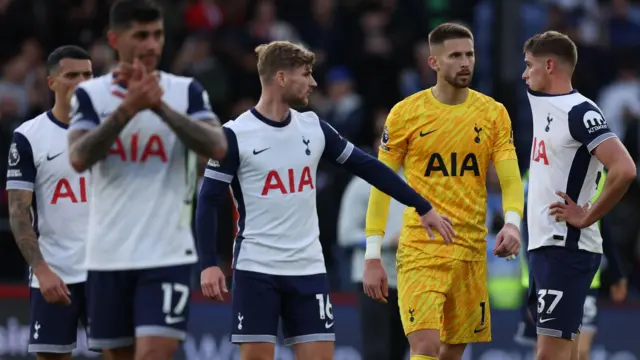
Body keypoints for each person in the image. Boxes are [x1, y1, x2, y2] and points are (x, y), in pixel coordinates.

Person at [195, 40, 454, 360]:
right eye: (306, 74)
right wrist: (208, 263)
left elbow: (368, 166)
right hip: (256, 268)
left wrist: (422, 205)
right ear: (281, 78)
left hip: (308, 268)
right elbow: (207, 201)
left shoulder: (313, 127)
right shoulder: (234, 135)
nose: (314, 83)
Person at [66, 1, 227, 359]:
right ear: (114, 39)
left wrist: (159, 107)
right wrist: (128, 109)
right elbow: (78, 157)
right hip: (108, 252)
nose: (151, 45)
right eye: (140, 36)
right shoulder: (90, 95)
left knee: (154, 353)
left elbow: (218, 146)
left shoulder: (185, 91)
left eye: (157, 35)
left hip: (167, 251)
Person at [363, 23, 525, 360]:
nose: (465, 62)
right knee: (424, 347)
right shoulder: (406, 114)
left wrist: (512, 223)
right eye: (455, 55)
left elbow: (510, 179)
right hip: (422, 249)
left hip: (469, 248)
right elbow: (381, 184)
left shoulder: (493, 114)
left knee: (451, 353)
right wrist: (372, 254)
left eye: (470, 54)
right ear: (434, 62)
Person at [522, 31, 637, 360]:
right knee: (567, 355)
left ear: (549, 65)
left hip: (566, 248)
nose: (524, 73)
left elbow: (624, 169)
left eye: (529, 66)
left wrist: (587, 216)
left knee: (550, 355)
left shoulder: (579, 111)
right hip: (548, 249)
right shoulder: (546, 104)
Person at [6, 45, 93, 360]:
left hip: (106, 272)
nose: (81, 81)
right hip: (56, 271)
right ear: (52, 82)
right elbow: (17, 212)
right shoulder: (30, 136)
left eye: (87, 74)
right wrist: (41, 270)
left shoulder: (112, 134)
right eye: (72, 75)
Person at [514, 170, 628, 360]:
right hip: (546, 274)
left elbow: (602, 222)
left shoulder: (598, 167)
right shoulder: (539, 169)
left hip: (585, 275)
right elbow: (529, 228)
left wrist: (617, 273)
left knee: (581, 352)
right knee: (546, 352)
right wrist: (534, 286)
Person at [337, 119, 409, 360]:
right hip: (371, 278)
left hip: (407, 279)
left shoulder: (414, 183)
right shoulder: (361, 184)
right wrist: (387, 242)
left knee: (400, 351)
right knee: (377, 351)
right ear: (377, 144)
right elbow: (346, 235)